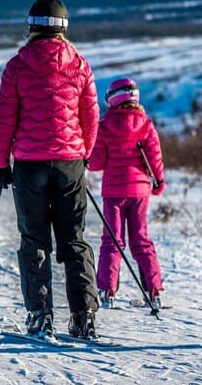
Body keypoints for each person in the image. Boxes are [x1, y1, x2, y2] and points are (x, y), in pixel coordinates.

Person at [0, 0, 101, 341]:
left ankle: (40, 317)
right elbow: (91, 117)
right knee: (75, 240)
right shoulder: (80, 65)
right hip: (69, 164)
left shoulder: (17, 66)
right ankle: (84, 318)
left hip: (29, 164)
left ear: (32, 26)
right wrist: (85, 155)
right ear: (64, 28)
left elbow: (6, 119)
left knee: (34, 239)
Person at [87, 77, 165, 311]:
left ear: (112, 99)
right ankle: (153, 291)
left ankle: (107, 291)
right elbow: (155, 157)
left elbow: (96, 163)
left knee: (112, 240)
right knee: (141, 240)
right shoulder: (146, 124)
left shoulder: (104, 125)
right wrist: (158, 181)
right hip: (140, 191)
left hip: (113, 192)